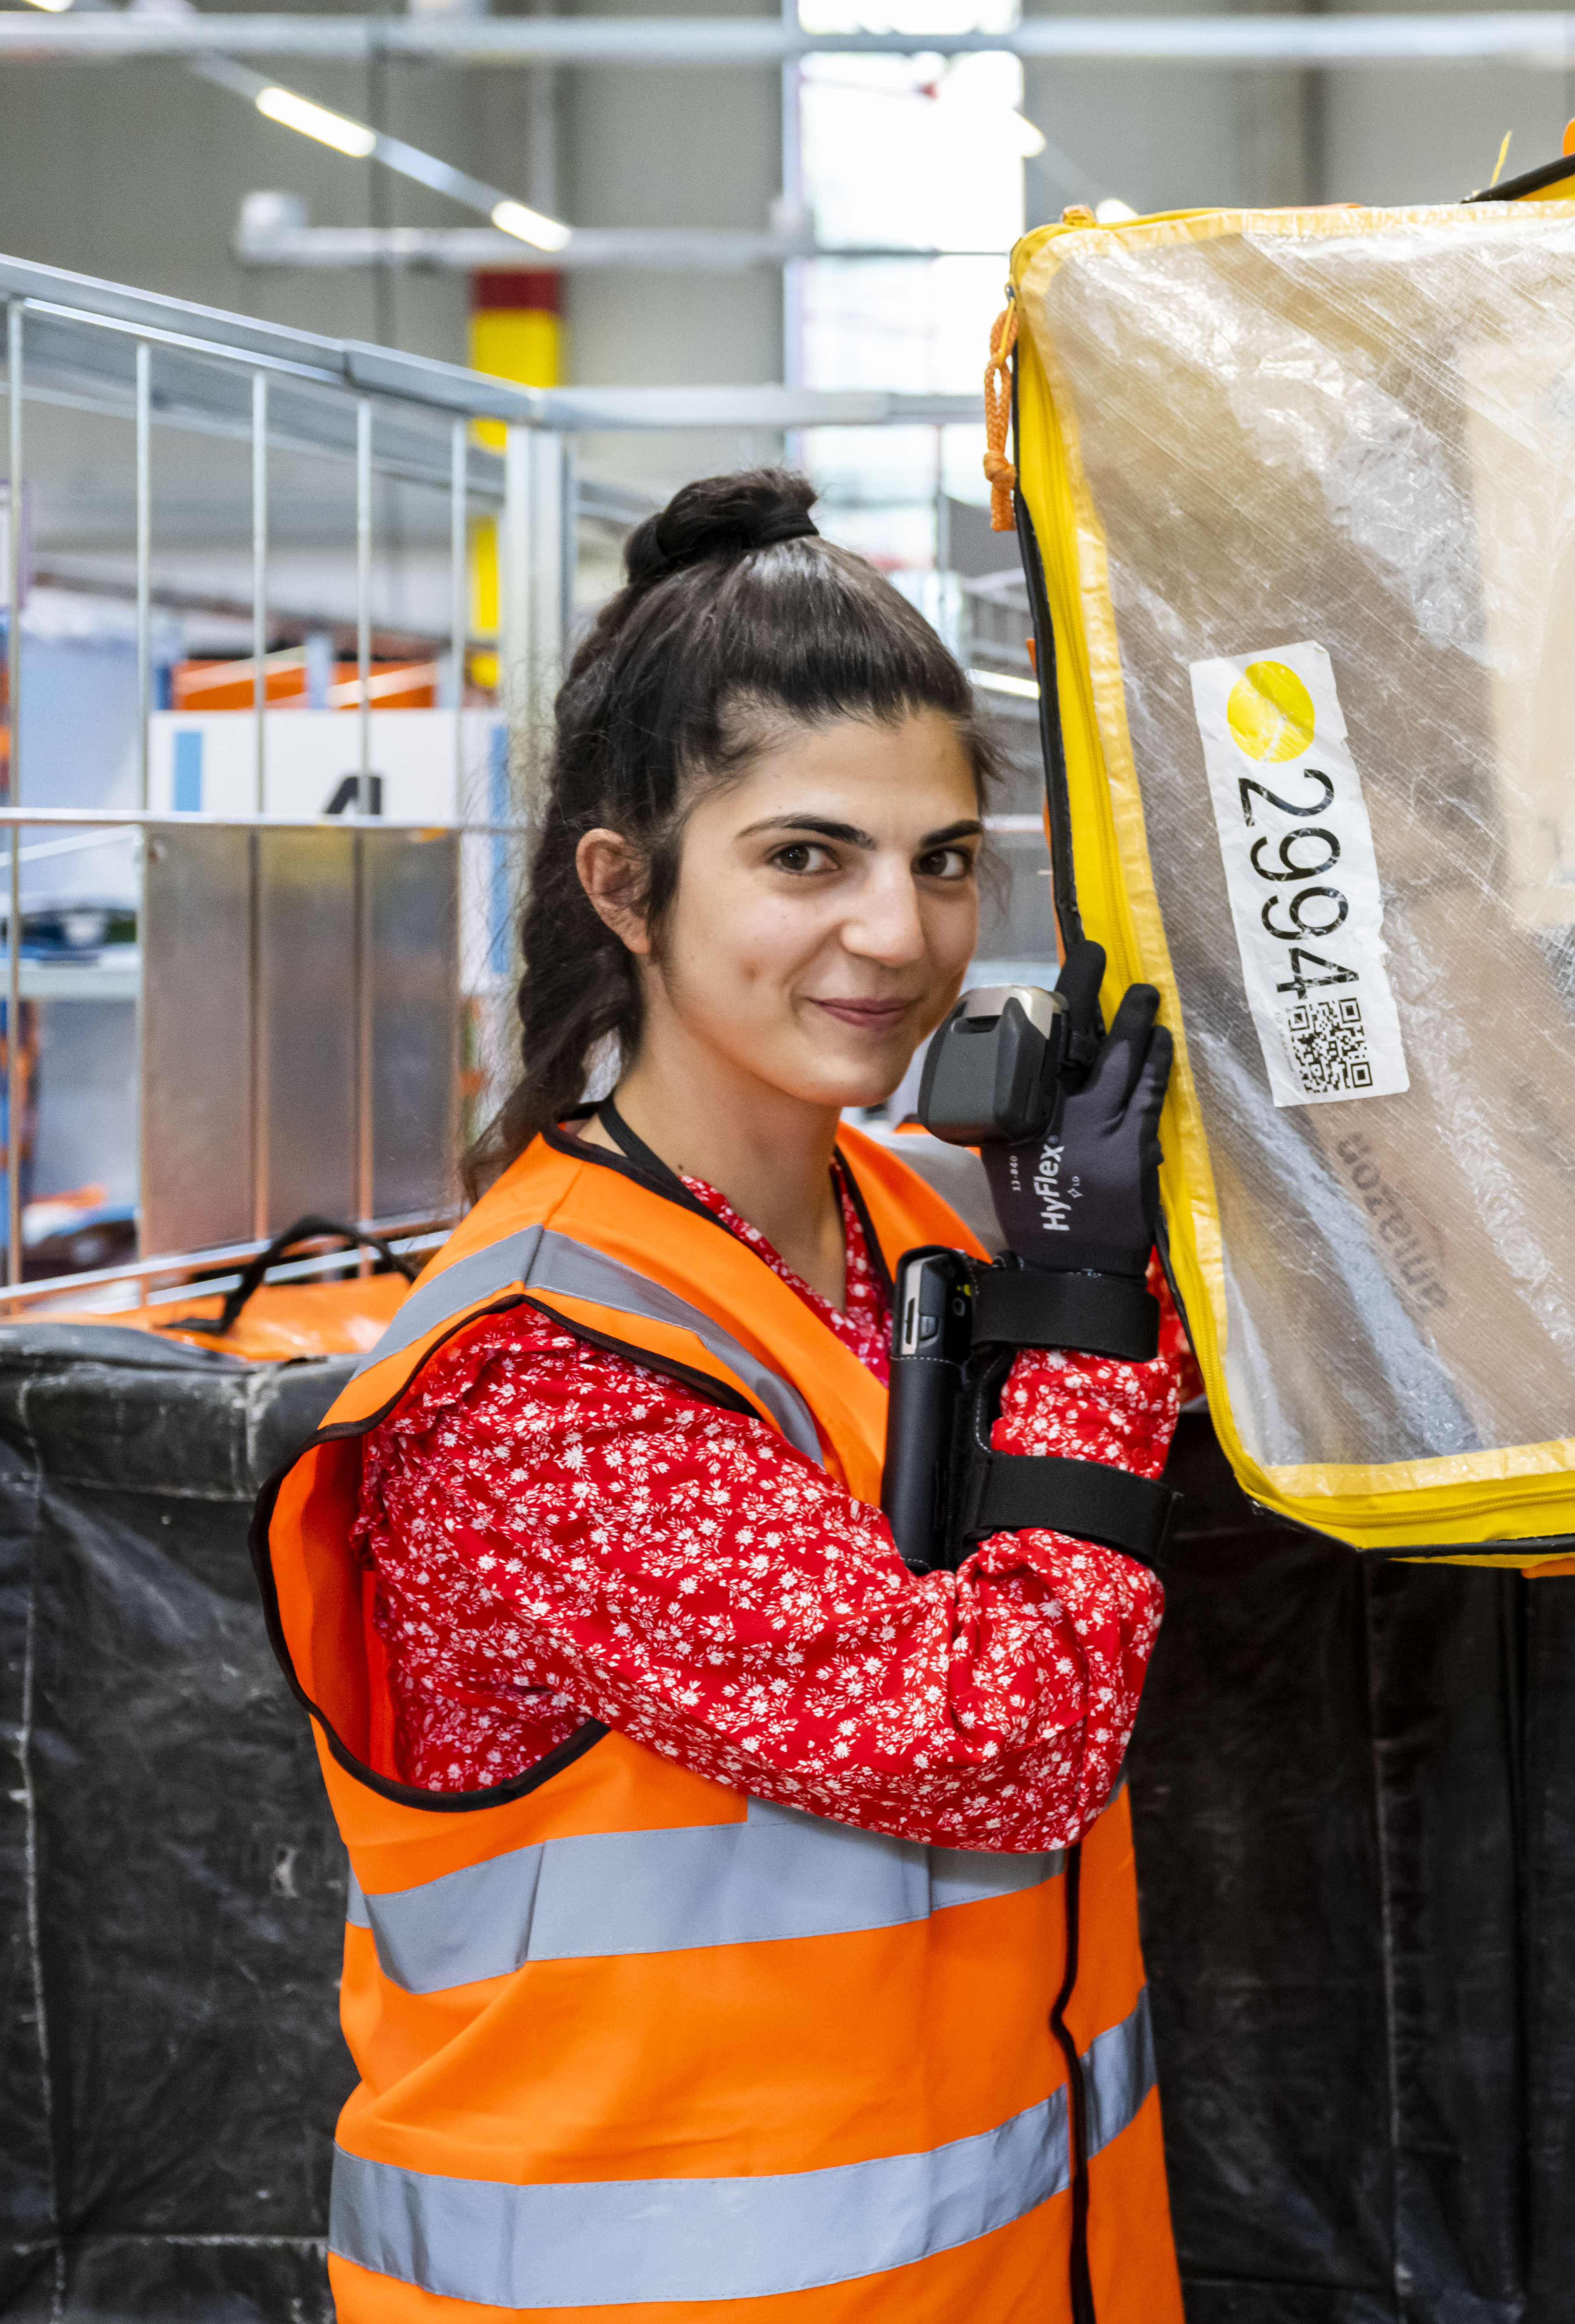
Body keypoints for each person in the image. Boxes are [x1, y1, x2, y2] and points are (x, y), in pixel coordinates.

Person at [259, 470, 1193, 2320]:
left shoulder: (916, 1225)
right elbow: (999, 1736)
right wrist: (1088, 1312)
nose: (897, 935)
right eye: (803, 858)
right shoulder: (536, 1382)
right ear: (629, 885)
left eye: (942, 858)